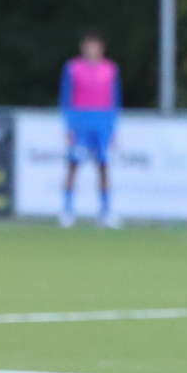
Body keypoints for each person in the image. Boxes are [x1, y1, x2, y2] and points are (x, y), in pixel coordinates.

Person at [59, 30, 122, 228]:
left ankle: (105, 211)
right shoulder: (73, 67)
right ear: (82, 47)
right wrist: (69, 126)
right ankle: (67, 210)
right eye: (88, 46)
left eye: (95, 46)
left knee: (103, 167)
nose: (91, 50)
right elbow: (66, 97)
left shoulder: (110, 69)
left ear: (101, 48)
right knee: (73, 165)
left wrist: (113, 128)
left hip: (102, 123)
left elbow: (115, 100)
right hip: (80, 123)